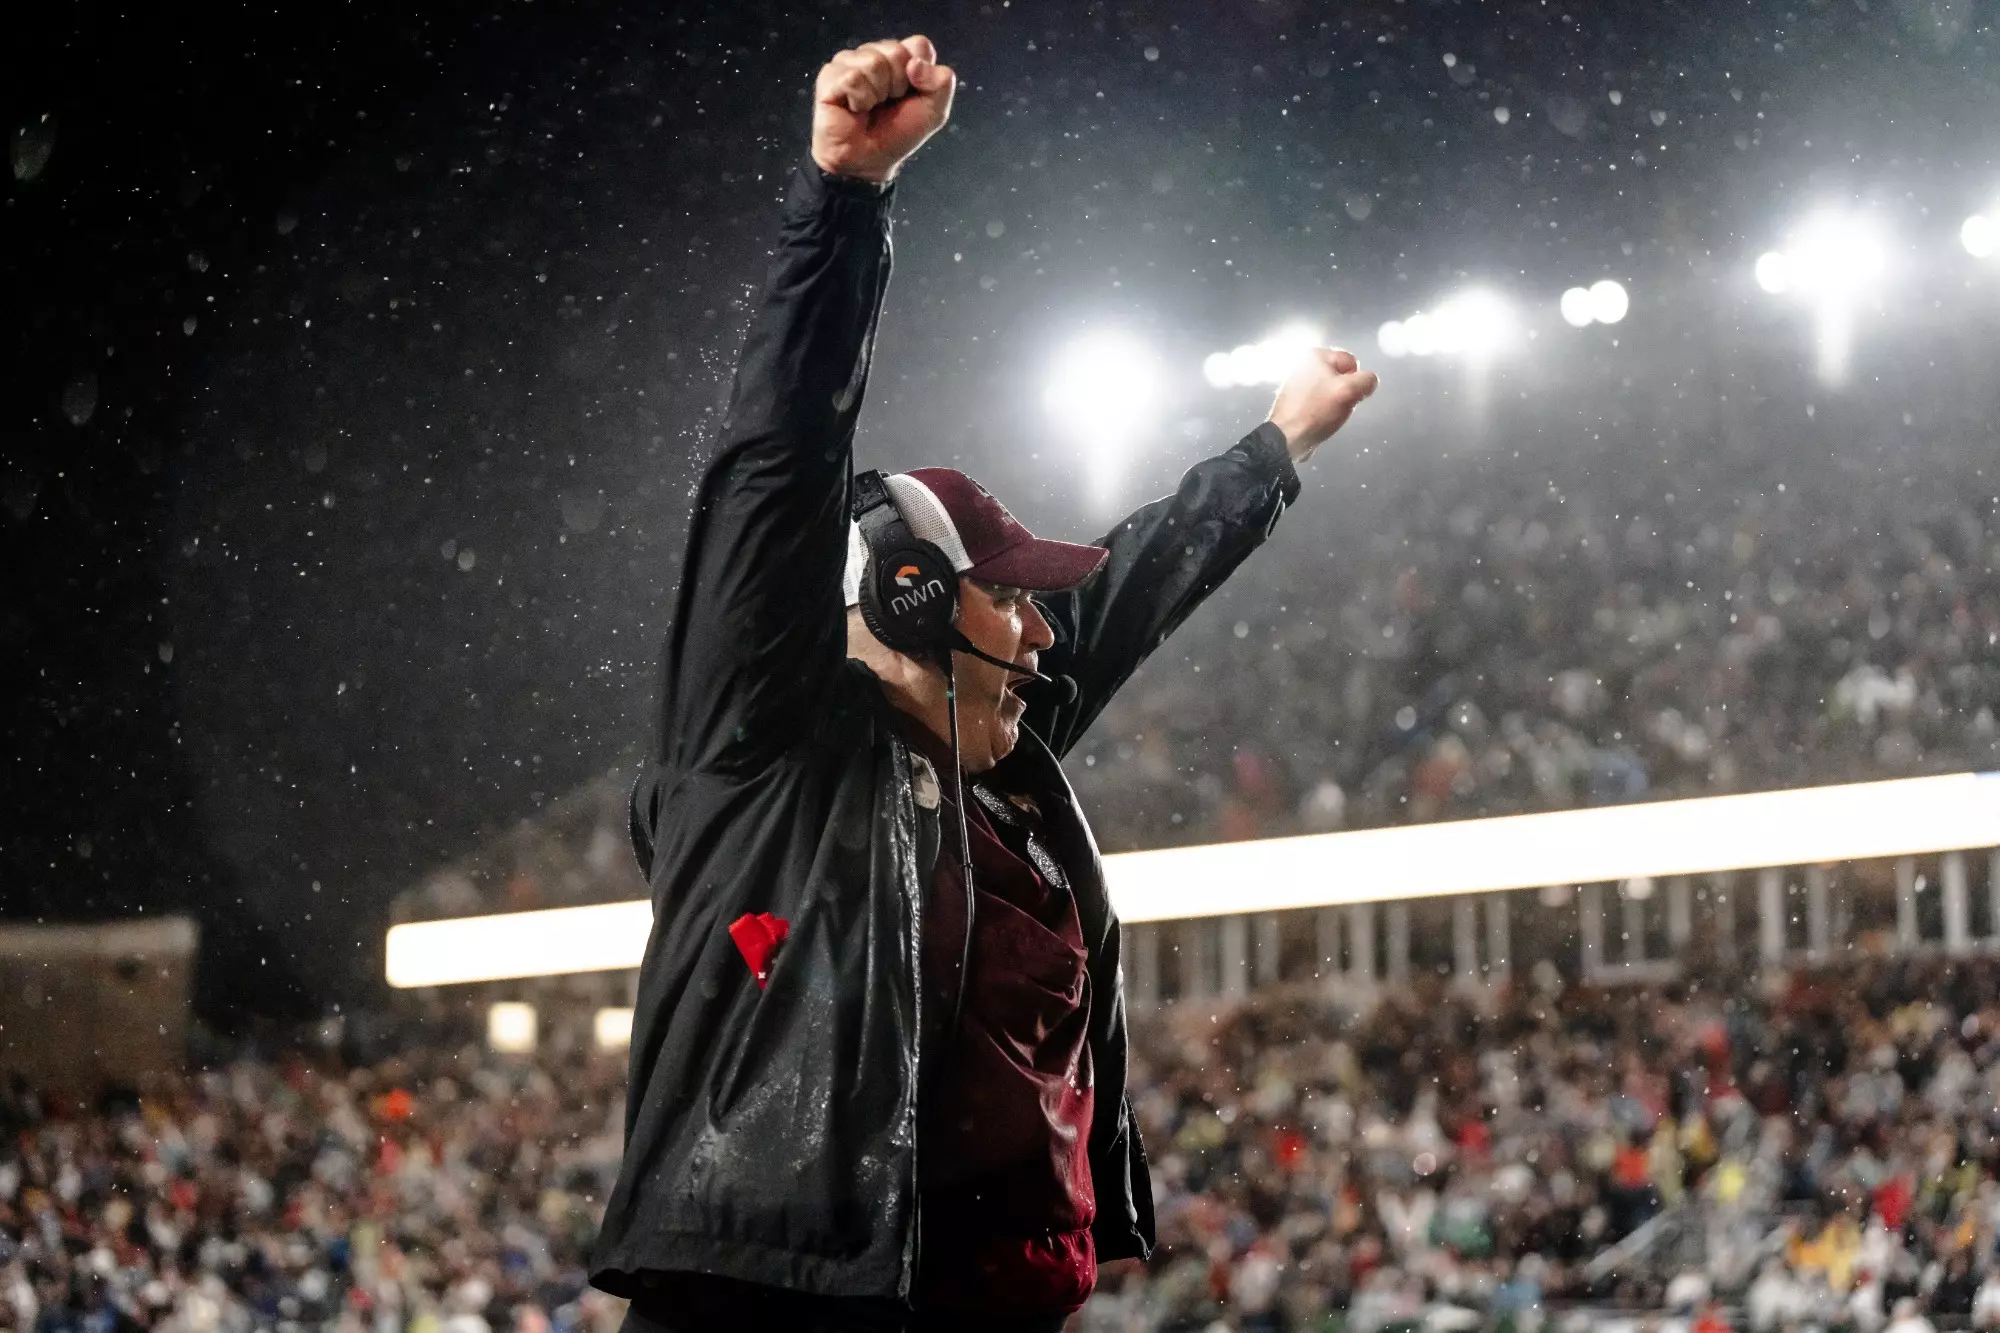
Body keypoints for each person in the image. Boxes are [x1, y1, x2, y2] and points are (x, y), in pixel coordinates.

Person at [587, 34, 1378, 1333]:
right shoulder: (768, 748)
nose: (1041, 632)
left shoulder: (999, 767)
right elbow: (771, 463)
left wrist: (1276, 446)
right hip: (782, 1307)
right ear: (903, 599)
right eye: (1004, 596)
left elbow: (1133, 584)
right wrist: (840, 206)